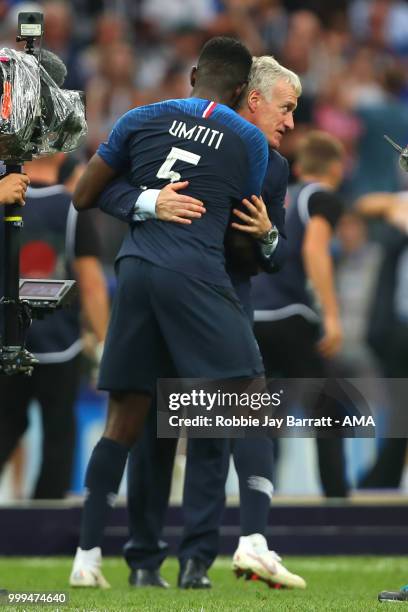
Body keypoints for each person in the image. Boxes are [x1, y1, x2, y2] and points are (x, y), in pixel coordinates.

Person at [81, 56, 305, 590]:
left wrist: (268, 234)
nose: (291, 122)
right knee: (155, 433)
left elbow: (273, 257)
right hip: (177, 294)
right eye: (286, 108)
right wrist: (150, 203)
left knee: (210, 439)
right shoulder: (177, 135)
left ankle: (195, 562)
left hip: (222, 298)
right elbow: (115, 192)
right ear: (253, 99)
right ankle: (142, 561)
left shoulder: (272, 165)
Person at [0, 154, 109, 499]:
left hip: (7, 341)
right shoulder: (71, 208)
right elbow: (92, 284)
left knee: (4, 428)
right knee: (59, 437)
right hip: (60, 345)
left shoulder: (3, 195)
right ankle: (44, 522)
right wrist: (104, 345)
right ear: (61, 152)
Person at [251, 130, 348, 498]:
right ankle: (338, 501)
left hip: (256, 315)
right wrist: (332, 316)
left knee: (268, 416)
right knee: (328, 410)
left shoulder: (282, 196)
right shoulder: (321, 197)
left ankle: (261, 500)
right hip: (291, 314)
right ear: (336, 167)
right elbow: (315, 251)